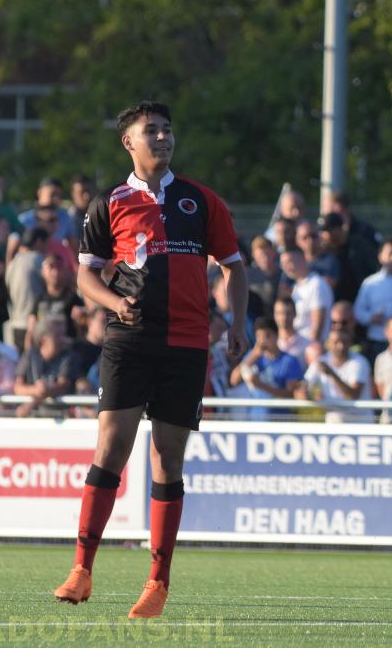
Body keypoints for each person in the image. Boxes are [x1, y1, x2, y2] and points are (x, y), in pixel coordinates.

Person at [52, 101, 248, 619]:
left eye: (167, 129)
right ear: (129, 143)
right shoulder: (108, 203)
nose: (162, 137)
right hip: (129, 339)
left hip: (187, 342)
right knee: (111, 448)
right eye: (151, 131)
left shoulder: (202, 201)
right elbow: (85, 276)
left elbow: (233, 267)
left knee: (167, 458)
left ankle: (157, 582)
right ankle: (81, 569)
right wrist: (116, 302)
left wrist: (239, 324)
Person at [229, 316, 303, 420]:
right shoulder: (252, 357)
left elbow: (290, 395)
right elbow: (234, 380)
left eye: (267, 336)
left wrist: (261, 385)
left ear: (276, 335)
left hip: (281, 421)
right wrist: (254, 355)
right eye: (259, 336)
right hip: (255, 421)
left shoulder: (290, 361)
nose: (263, 341)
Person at [297, 329, 373, 424]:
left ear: (350, 343)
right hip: (334, 421)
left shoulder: (360, 362)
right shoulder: (319, 362)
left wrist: (332, 374)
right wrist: (305, 393)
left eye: (344, 342)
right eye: (336, 342)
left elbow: (353, 395)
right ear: (329, 344)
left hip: (360, 422)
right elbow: (301, 389)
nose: (340, 346)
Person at [13, 316, 76, 417]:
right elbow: (17, 387)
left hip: (59, 416)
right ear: (43, 338)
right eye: (57, 335)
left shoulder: (67, 357)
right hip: (33, 418)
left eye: (63, 335)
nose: (63, 339)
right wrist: (35, 389)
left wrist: (33, 401)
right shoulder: (30, 355)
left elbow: (62, 386)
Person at [318, 211, 379, 303]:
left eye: (327, 230)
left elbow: (373, 268)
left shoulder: (359, 245)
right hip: (336, 302)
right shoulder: (324, 251)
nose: (324, 235)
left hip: (359, 298)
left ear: (338, 229)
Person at [4, 227, 48, 352]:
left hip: (15, 322)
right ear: (39, 242)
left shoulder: (13, 263)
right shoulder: (38, 259)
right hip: (33, 324)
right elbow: (49, 284)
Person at [280, 247, 333, 343]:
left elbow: (318, 324)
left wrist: (311, 349)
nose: (287, 267)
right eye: (283, 264)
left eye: (290, 262)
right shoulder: (296, 287)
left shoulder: (316, 284)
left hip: (310, 348)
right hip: (297, 345)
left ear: (304, 260)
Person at [28, 253, 85, 341]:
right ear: (42, 272)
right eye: (51, 267)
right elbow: (31, 332)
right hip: (43, 349)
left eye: (59, 267)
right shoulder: (39, 300)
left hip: (68, 350)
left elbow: (84, 330)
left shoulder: (74, 300)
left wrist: (80, 321)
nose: (55, 272)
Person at [296, 219, 340, 291]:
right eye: (305, 237)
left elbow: (326, 287)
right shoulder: (293, 262)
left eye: (313, 236)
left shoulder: (330, 262)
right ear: (297, 241)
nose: (310, 240)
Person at [274, 297, 311, 369]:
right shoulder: (269, 343)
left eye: (288, 313)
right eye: (279, 313)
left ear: (295, 314)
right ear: (274, 315)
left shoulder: (306, 344)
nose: (284, 317)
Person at [69, 174, 98, 243]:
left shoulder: (103, 216)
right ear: (73, 194)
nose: (87, 196)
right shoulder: (69, 221)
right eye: (82, 192)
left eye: (89, 191)